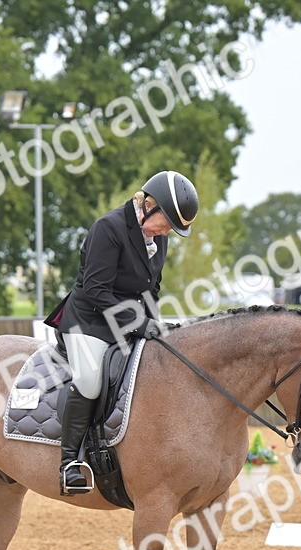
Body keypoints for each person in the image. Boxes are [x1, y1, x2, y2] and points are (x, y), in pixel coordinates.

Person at [43, 170, 199, 495]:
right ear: (149, 205)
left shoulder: (158, 237)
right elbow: (96, 291)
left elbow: (151, 289)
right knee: (89, 380)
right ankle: (70, 463)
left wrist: (155, 325)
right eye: (167, 223)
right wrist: (139, 324)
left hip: (128, 322)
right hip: (88, 321)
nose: (167, 231)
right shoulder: (109, 228)